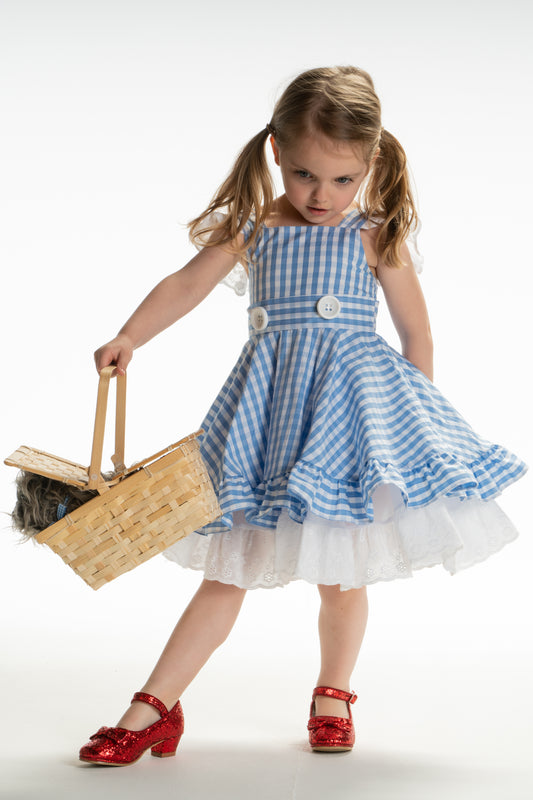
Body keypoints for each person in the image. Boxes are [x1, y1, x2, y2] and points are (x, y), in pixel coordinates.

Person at [80, 66, 527, 765]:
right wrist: (130, 335)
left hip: (348, 424)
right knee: (226, 570)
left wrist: (406, 434)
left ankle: (332, 692)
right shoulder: (254, 229)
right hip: (266, 420)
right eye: (303, 175)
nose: (321, 196)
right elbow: (187, 284)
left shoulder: (374, 235)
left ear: (369, 164)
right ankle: (153, 706)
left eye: (341, 180)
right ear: (275, 156)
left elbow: (418, 338)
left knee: (341, 573)